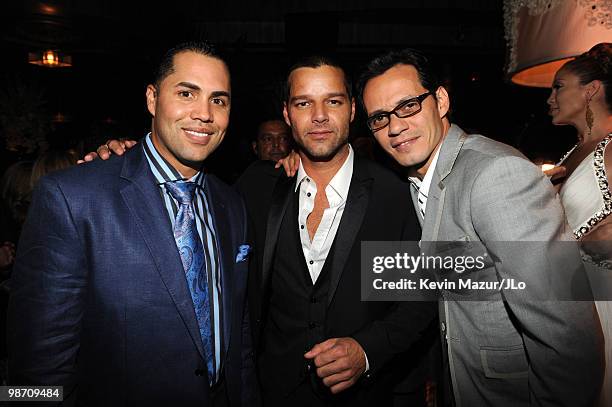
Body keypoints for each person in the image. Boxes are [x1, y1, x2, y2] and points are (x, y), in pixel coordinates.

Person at [86, 56, 439, 407]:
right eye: (304, 103)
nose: (319, 115)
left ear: (351, 111)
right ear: (287, 114)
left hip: (363, 398)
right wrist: (127, 159)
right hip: (270, 392)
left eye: (333, 101)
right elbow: (182, 210)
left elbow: (418, 301)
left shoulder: (391, 195)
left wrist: (366, 351)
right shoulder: (256, 187)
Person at [8, 42, 257, 407]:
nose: (204, 113)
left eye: (219, 100)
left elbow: (239, 332)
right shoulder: (72, 197)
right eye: (187, 93)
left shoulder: (232, 203)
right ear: (152, 99)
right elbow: (36, 365)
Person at [355, 48, 604, 406]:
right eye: (380, 118)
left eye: (408, 105)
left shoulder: (494, 174)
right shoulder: (412, 179)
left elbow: (565, 334)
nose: (395, 126)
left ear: (440, 100)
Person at [546, 42, 612, 406]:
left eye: (559, 86)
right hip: (575, 303)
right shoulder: (572, 154)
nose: (550, 98)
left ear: (591, 89)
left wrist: (590, 242)